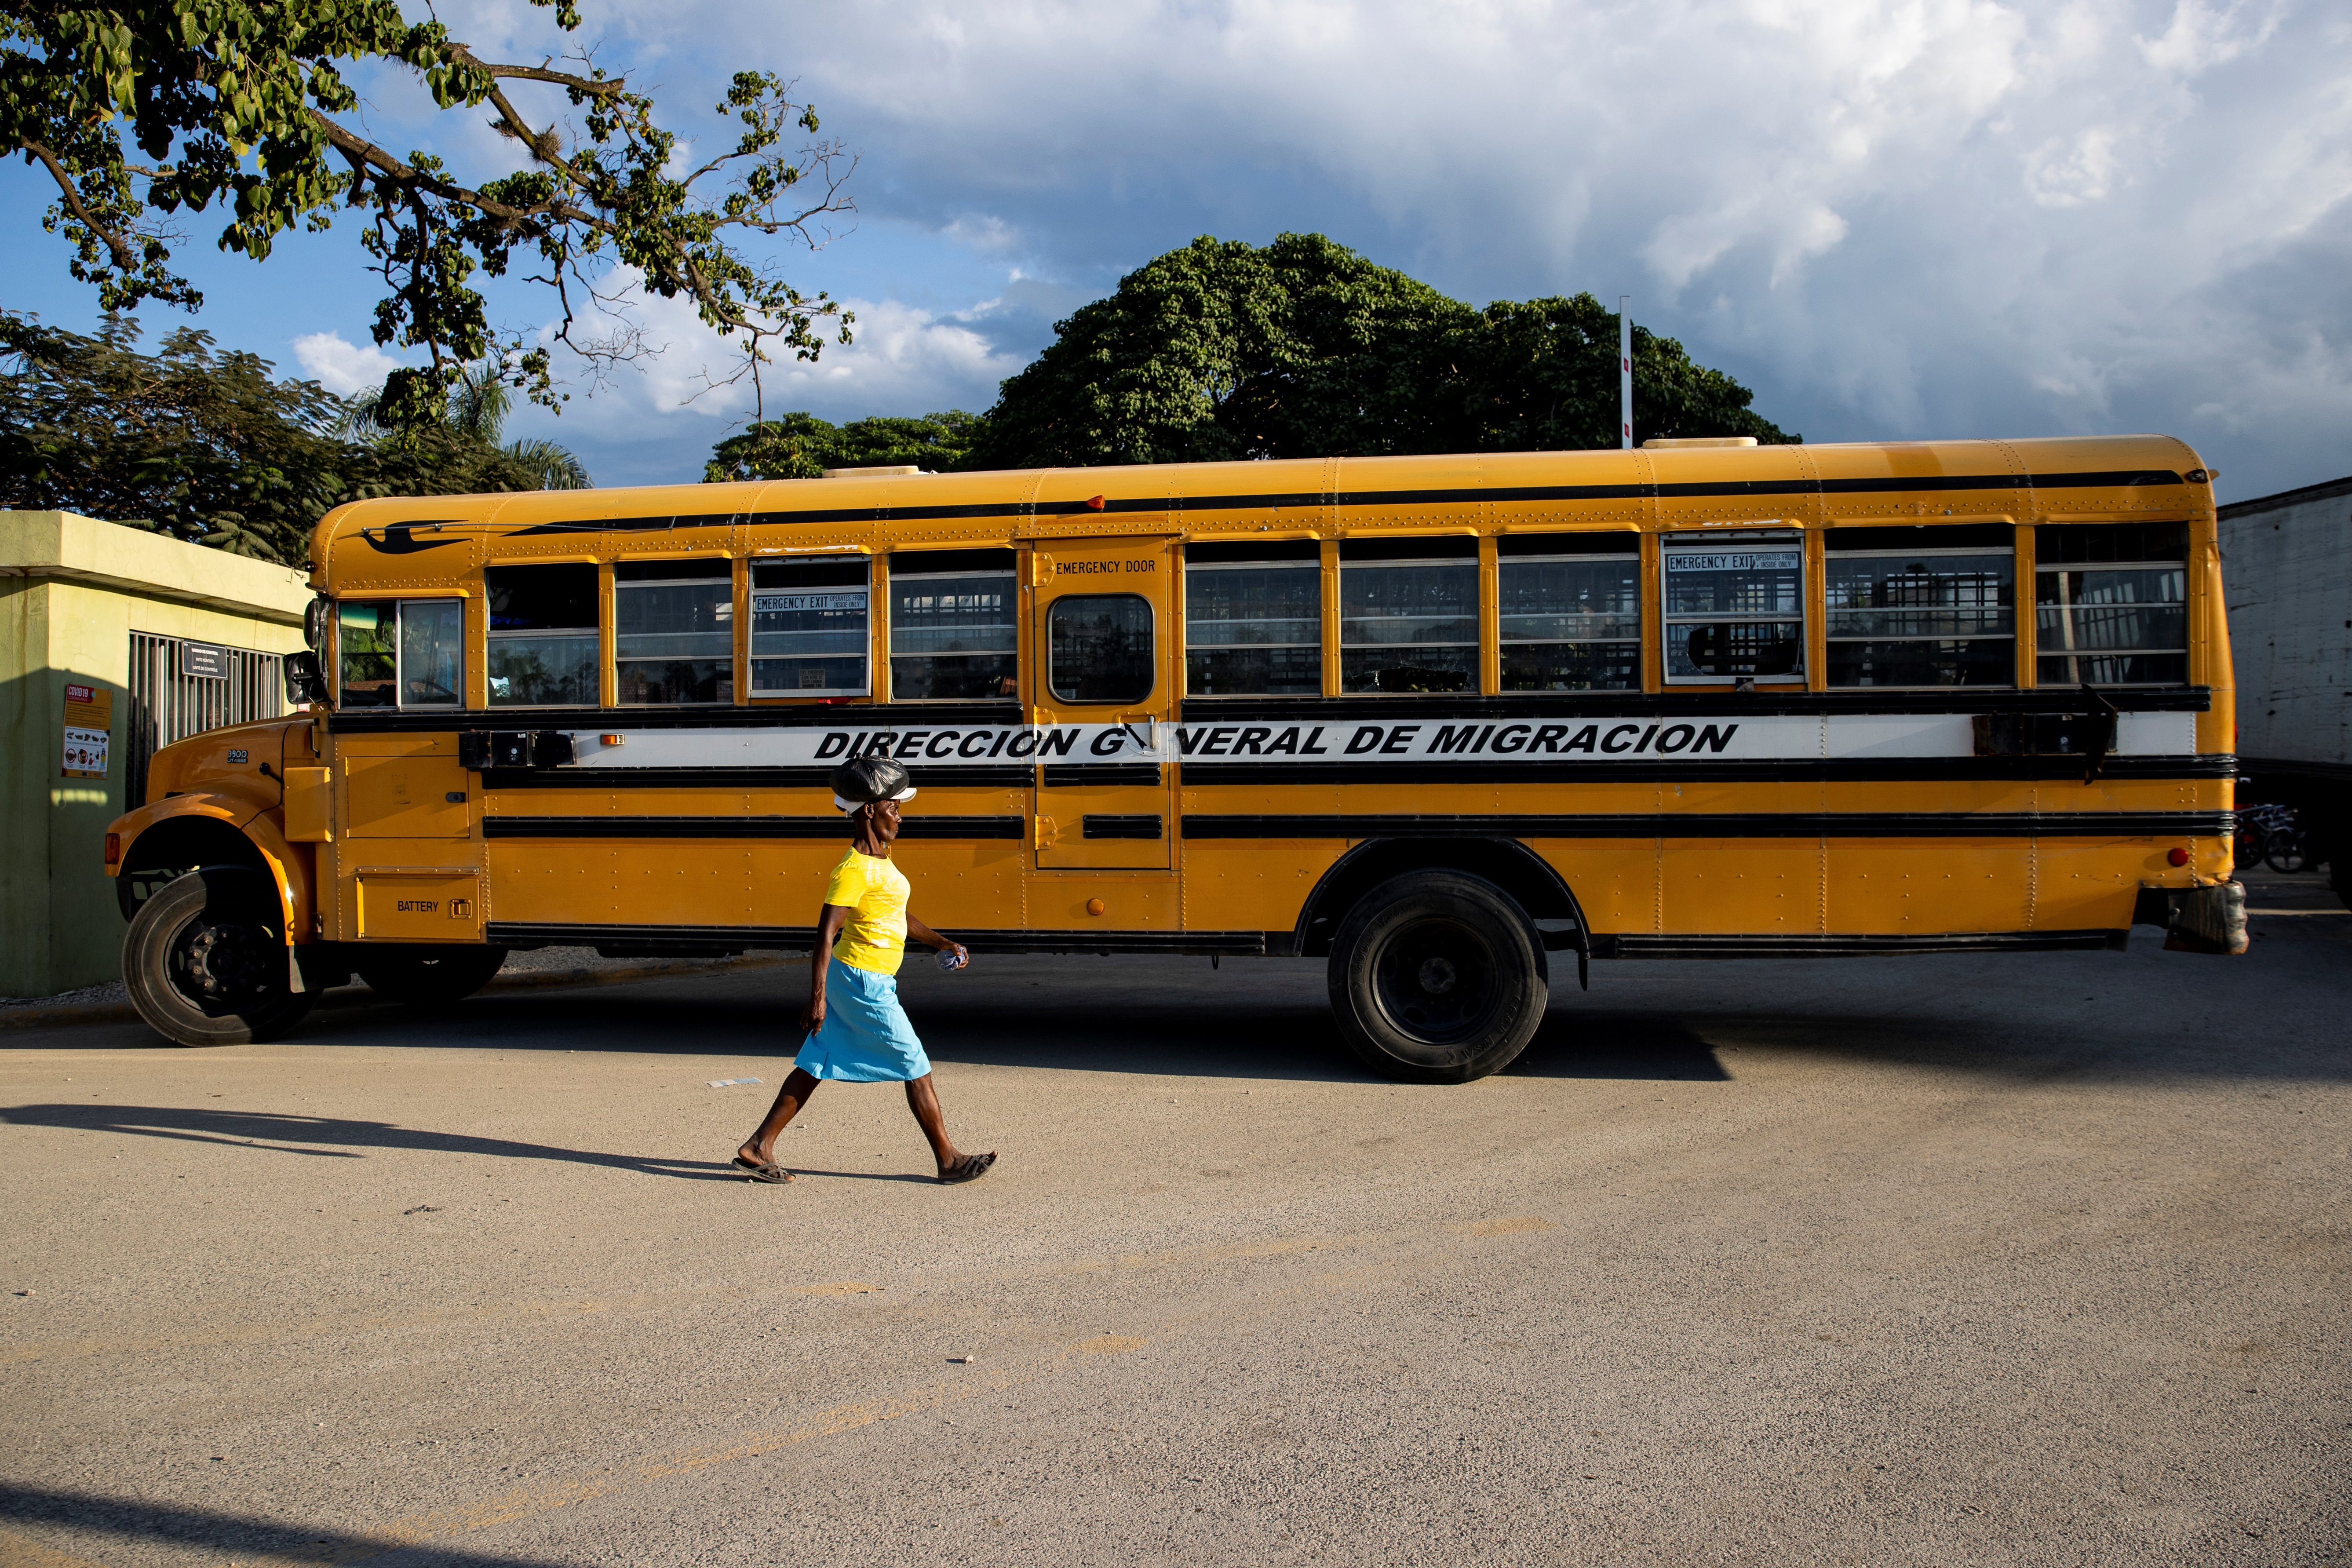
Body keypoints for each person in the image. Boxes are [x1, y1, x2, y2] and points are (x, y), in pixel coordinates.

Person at [733, 756, 998, 1186]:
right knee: (915, 1062)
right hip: (862, 980)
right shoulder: (852, 869)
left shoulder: (883, 859)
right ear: (869, 810)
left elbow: (899, 914)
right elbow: (825, 933)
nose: (900, 815)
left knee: (816, 1062)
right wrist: (817, 997)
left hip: (862, 976)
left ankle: (758, 1146)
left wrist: (943, 942)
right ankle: (948, 1159)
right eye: (894, 807)